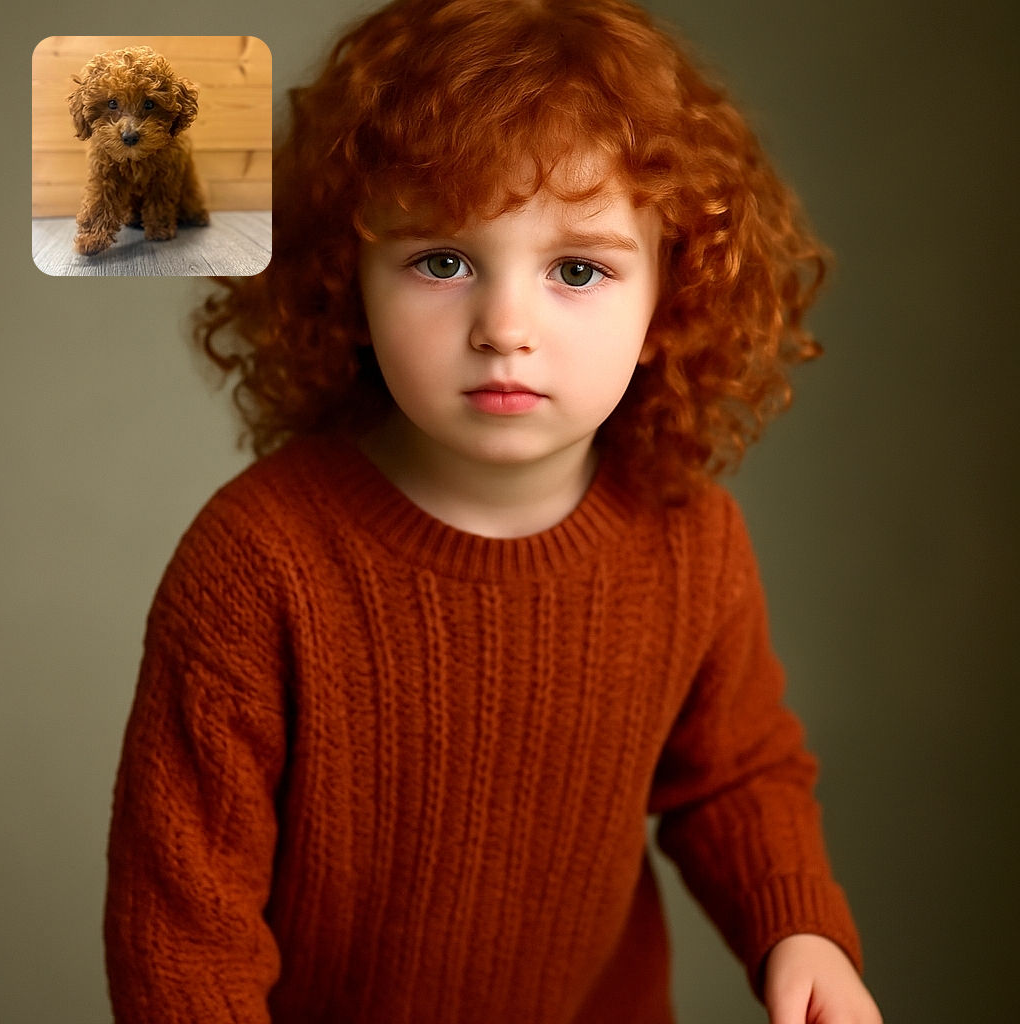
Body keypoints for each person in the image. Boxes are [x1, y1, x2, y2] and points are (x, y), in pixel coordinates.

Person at [104, 1, 882, 1022]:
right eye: (442, 260)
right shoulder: (257, 561)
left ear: (671, 299)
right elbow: (182, 923)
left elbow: (734, 774)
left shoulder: (690, 540)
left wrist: (798, 926)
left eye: (576, 269)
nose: (504, 327)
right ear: (349, 285)